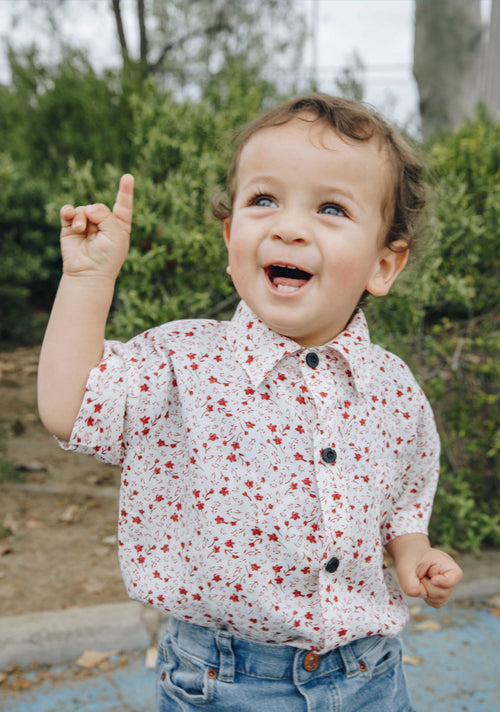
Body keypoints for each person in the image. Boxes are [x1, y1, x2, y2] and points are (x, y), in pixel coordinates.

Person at [38, 94, 463, 711]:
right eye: (264, 200)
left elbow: (400, 500)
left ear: (383, 264)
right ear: (232, 235)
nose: (289, 226)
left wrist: (414, 553)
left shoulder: (393, 388)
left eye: (331, 207)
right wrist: (87, 280)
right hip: (224, 682)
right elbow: (70, 406)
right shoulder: (181, 361)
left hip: (370, 675)